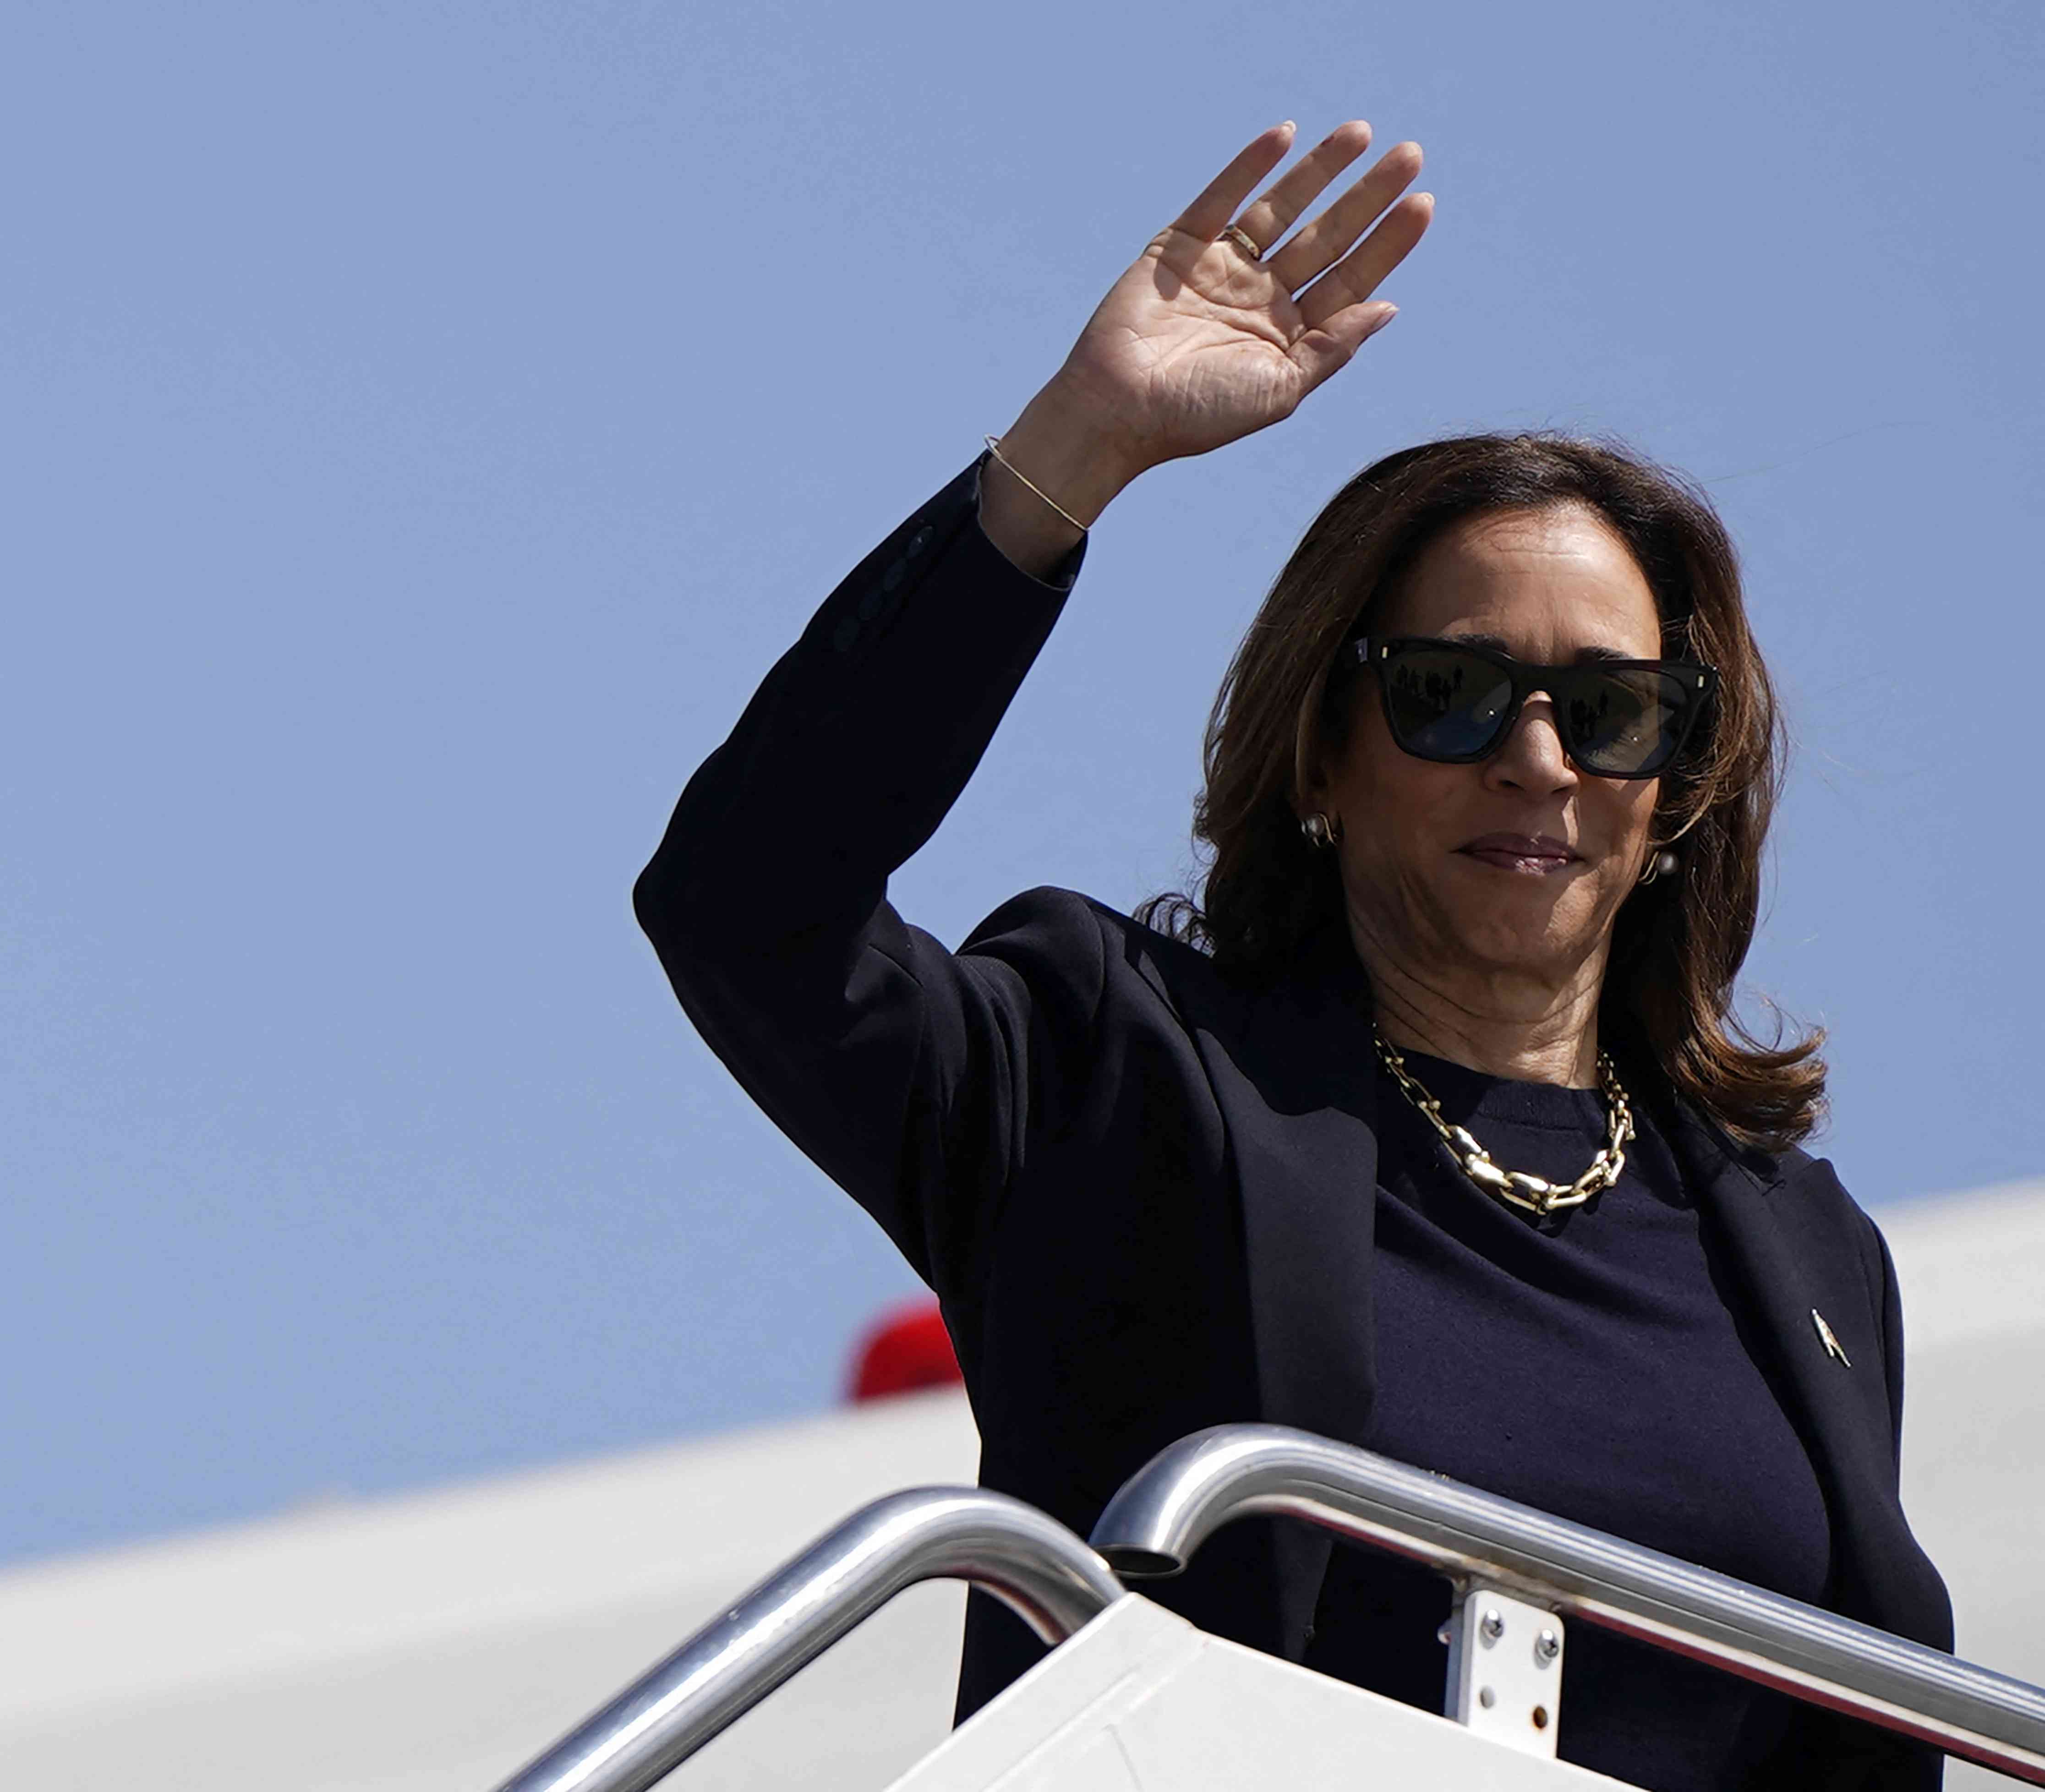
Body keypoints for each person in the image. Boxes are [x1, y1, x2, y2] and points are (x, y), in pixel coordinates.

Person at [632, 120, 1954, 1791]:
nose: (1539, 763)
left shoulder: (1804, 1251)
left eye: (1614, 714)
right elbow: (751, 900)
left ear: (1677, 793)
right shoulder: (1116, 1080)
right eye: (1454, 695)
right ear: (1322, 757)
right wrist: (1077, 449)